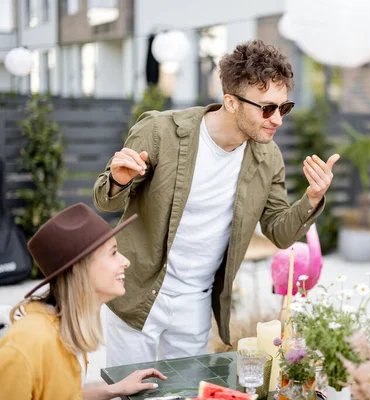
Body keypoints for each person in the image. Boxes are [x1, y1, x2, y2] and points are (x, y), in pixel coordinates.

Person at [92, 39, 339, 366]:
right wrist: (120, 180)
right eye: (267, 108)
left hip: (196, 303)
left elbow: (279, 233)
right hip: (137, 293)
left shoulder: (269, 157)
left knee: (185, 390)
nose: (278, 119)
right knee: (127, 392)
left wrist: (312, 198)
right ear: (231, 102)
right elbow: (105, 202)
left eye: (284, 107)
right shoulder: (161, 131)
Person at [0, 203, 168, 399]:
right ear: (79, 268)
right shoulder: (28, 343)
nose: (126, 261)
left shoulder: (66, 328)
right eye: (113, 253)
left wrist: (114, 389)